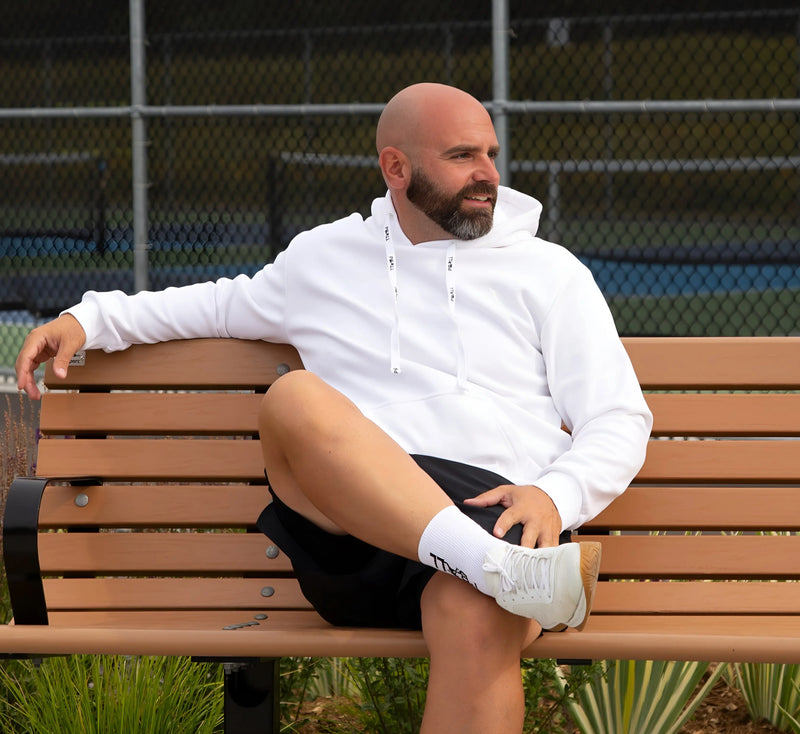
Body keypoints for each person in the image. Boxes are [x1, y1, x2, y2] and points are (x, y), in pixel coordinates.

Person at [16, 83, 652, 734]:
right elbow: (208, 304)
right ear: (396, 167)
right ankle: (498, 568)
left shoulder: (550, 273)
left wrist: (556, 497)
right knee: (294, 397)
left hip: (498, 508)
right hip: (356, 535)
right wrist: (88, 318)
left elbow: (618, 416)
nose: (488, 174)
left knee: (476, 610)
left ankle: (487, 567)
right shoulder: (322, 259)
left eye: (490, 153)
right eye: (463, 155)